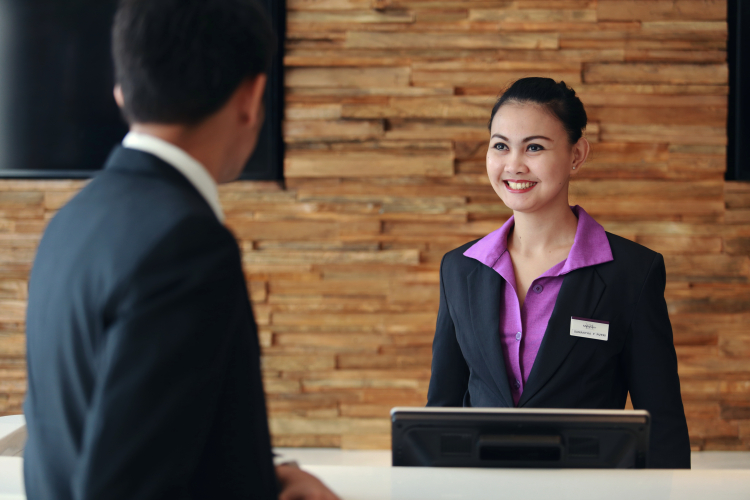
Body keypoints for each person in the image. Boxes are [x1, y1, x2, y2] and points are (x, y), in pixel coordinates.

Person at [23, 1, 339, 498]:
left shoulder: (70, 223)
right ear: (251, 97)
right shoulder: (187, 245)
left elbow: (113, 443)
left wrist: (265, 480)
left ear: (122, 90)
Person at [426, 77, 691, 469]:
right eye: (501, 146)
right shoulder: (460, 268)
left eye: (534, 147)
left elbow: (662, 423)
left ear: (576, 155)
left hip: (588, 488)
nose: (514, 165)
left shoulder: (632, 272)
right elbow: (441, 412)